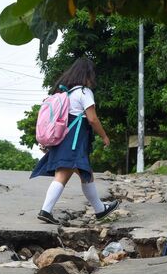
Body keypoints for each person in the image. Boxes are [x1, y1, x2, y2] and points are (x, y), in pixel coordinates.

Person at [30, 57, 119, 224]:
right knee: (63, 174)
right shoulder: (84, 93)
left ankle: (99, 209)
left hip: (65, 139)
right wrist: (104, 136)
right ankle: (46, 210)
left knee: (86, 174)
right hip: (74, 141)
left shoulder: (66, 94)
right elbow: (92, 119)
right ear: (88, 74)